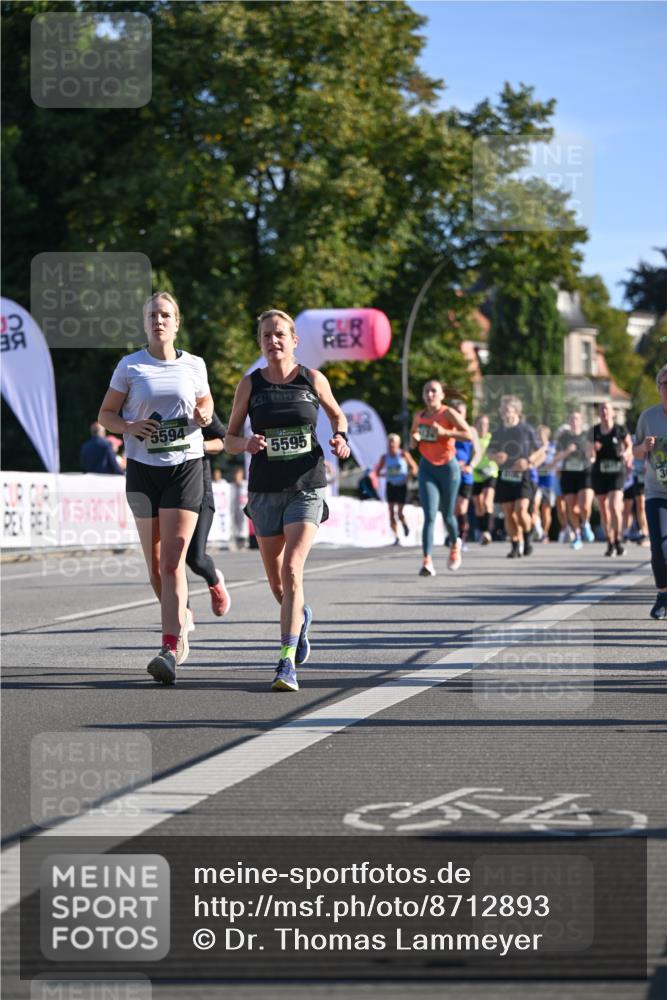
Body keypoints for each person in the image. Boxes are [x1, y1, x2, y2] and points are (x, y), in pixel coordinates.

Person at [224, 308, 350, 691]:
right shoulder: (250, 385)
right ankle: (301, 617)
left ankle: (285, 663)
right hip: (264, 490)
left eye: (279, 334)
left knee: (293, 570)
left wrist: (340, 438)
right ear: (260, 343)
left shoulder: (313, 378)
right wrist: (245, 443)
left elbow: (337, 416)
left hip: (306, 485)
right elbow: (228, 437)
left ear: (294, 340)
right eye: (266, 336)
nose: (273, 341)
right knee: (280, 585)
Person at [98, 291, 213, 684]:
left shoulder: (195, 365)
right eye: (152, 315)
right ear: (145, 323)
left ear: (176, 323)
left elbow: (207, 405)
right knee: (155, 566)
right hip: (143, 471)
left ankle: (169, 647)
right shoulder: (130, 366)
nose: (158, 321)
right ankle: (181, 614)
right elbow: (106, 415)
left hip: (184, 466)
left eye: (165, 315)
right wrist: (128, 426)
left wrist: (204, 413)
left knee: (171, 563)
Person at [411, 379, 472, 575]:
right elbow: (413, 443)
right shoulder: (418, 416)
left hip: (448, 468)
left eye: (434, 391)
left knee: (447, 515)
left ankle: (455, 543)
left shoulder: (447, 413)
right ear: (423, 395)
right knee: (429, 515)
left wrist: (445, 432)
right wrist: (414, 440)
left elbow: (468, 435)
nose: (430, 395)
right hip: (427, 468)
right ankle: (427, 561)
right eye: (426, 391)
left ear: (442, 395)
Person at [184, 410, 232, 620]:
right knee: (170, 560)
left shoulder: (198, 405)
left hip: (198, 491)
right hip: (161, 489)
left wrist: (199, 446)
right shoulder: (146, 399)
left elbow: (224, 441)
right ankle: (182, 613)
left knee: (195, 559)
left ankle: (214, 580)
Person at [487, 395, 543, 559]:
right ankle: (514, 545)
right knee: (508, 512)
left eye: (507, 409)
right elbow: (489, 453)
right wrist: (496, 457)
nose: (504, 412)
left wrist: (529, 461)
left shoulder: (526, 429)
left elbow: (540, 451)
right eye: (502, 409)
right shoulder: (498, 432)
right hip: (505, 475)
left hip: (523, 476)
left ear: (516, 411)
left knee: (520, 511)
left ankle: (527, 534)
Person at [633, 364, 667, 619]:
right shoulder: (648, 417)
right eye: (665, 384)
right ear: (659, 389)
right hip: (657, 491)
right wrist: (643, 447)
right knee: (659, 549)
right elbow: (633, 451)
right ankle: (663, 595)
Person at [590, 401, 633, 557]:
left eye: (606, 409)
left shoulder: (620, 429)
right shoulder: (594, 431)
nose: (604, 412)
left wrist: (626, 454)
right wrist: (593, 450)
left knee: (615, 506)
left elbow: (629, 446)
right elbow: (589, 454)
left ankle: (618, 540)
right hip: (600, 473)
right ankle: (610, 542)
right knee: (604, 509)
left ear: (612, 412)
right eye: (601, 409)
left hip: (617, 471)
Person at [553, 410, 595, 550]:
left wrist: (593, 455)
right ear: (568, 421)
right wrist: (567, 452)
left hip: (585, 473)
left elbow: (593, 453)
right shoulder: (563, 438)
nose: (574, 421)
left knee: (584, 506)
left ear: (581, 421)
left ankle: (586, 523)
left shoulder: (587, 436)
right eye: (571, 419)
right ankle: (577, 535)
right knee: (571, 507)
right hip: (568, 475)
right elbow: (556, 458)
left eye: (577, 419)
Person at [374, 433, 418, 544]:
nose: (391, 445)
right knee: (390, 511)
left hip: (401, 485)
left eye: (394, 443)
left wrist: (408, 477)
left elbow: (414, 468)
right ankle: (396, 536)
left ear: (398, 444)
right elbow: (378, 471)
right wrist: (385, 474)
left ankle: (404, 524)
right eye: (390, 443)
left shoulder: (403, 455)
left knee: (399, 512)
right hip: (391, 485)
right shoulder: (384, 457)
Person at [450, 400, 480, 548]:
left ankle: (462, 539)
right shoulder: (448, 429)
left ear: (465, 414)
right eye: (456, 412)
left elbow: (477, 453)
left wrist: (470, 465)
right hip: (450, 474)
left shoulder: (471, 430)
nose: (458, 415)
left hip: (466, 475)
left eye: (461, 412)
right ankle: (452, 535)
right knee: (452, 508)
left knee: (462, 508)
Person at [471, 414, 498, 545]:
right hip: (476, 474)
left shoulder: (492, 438)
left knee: (487, 502)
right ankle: (482, 531)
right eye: (480, 424)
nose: (483, 427)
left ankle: (487, 531)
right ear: (475, 426)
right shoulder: (472, 439)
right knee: (479, 505)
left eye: (485, 424)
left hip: (490, 472)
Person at [535, 425, 556, 543]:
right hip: (536, 481)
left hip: (549, 481)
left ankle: (545, 533)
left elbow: (553, 462)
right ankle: (538, 527)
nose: (540, 437)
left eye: (542, 434)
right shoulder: (535, 448)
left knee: (546, 509)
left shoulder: (553, 447)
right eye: (538, 434)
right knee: (534, 506)